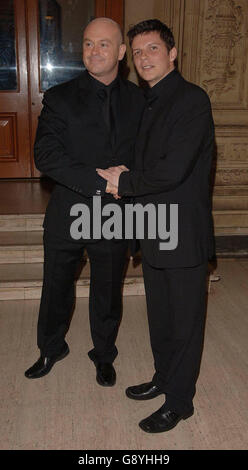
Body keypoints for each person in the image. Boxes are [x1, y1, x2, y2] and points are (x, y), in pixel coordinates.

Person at [97, 19, 215, 432]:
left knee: (184, 324)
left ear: (172, 53)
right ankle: (164, 379)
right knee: (161, 317)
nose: (145, 57)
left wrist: (122, 182)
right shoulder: (150, 101)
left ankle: (180, 402)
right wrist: (125, 172)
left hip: (183, 234)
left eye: (153, 49)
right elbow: (150, 163)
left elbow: (174, 170)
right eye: (139, 51)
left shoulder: (192, 100)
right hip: (154, 227)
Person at [24, 18, 145, 385]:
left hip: (116, 214)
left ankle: (104, 354)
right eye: (89, 43)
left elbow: (149, 154)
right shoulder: (60, 97)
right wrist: (101, 182)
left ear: (121, 52)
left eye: (104, 44)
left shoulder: (142, 101)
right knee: (56, 284)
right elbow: (46, 155)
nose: (94, 51)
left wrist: (127, 181)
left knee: (108, 290)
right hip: (70, 207)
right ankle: (50, 347)